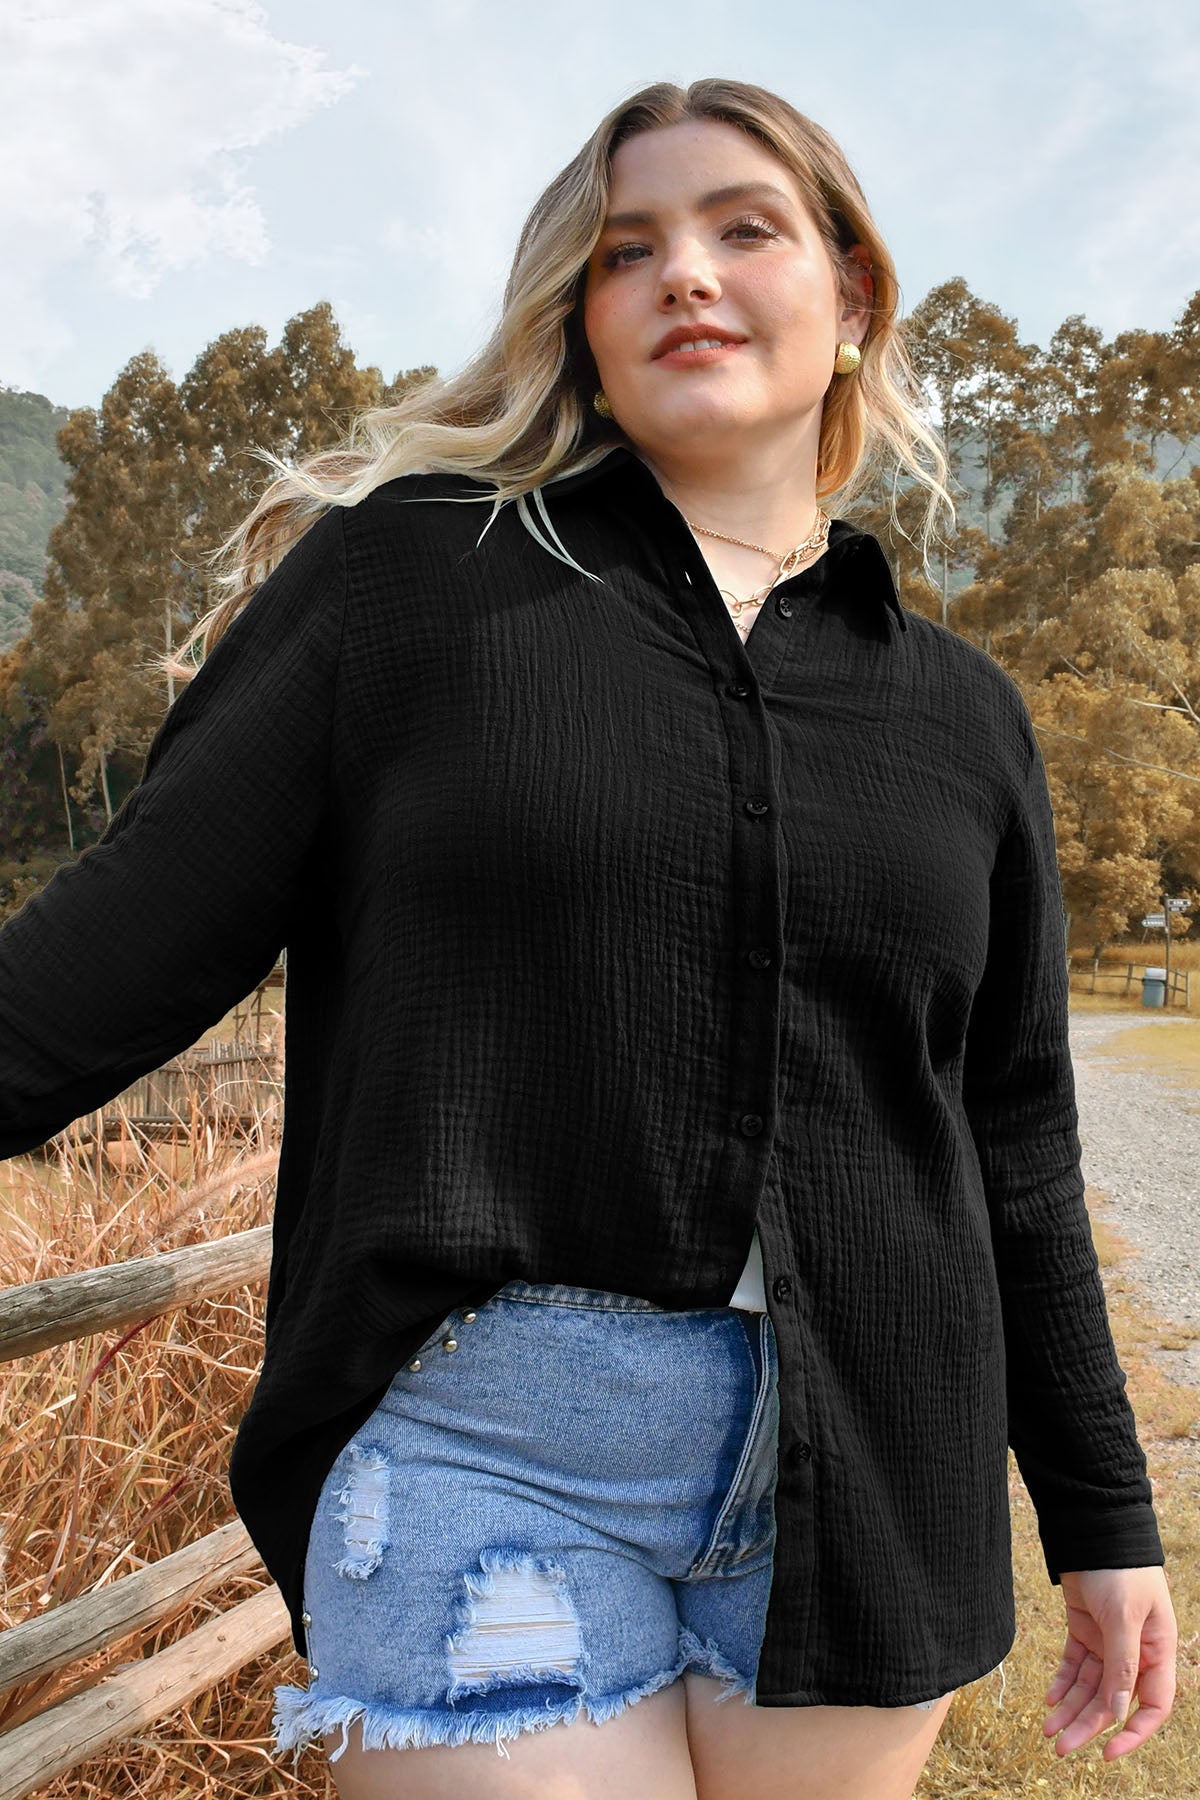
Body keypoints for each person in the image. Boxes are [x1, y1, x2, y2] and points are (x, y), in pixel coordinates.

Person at [0, 78, 1178, 1800]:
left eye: (743, 229)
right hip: (488, 1453)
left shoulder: (965, 716)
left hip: (874, 1469)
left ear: (854, 297)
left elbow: (1012, 1140)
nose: (683, 272)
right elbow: (105, 958)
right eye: (629, 250)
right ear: (582, 319)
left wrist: (1104, 1514)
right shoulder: (410, 585)